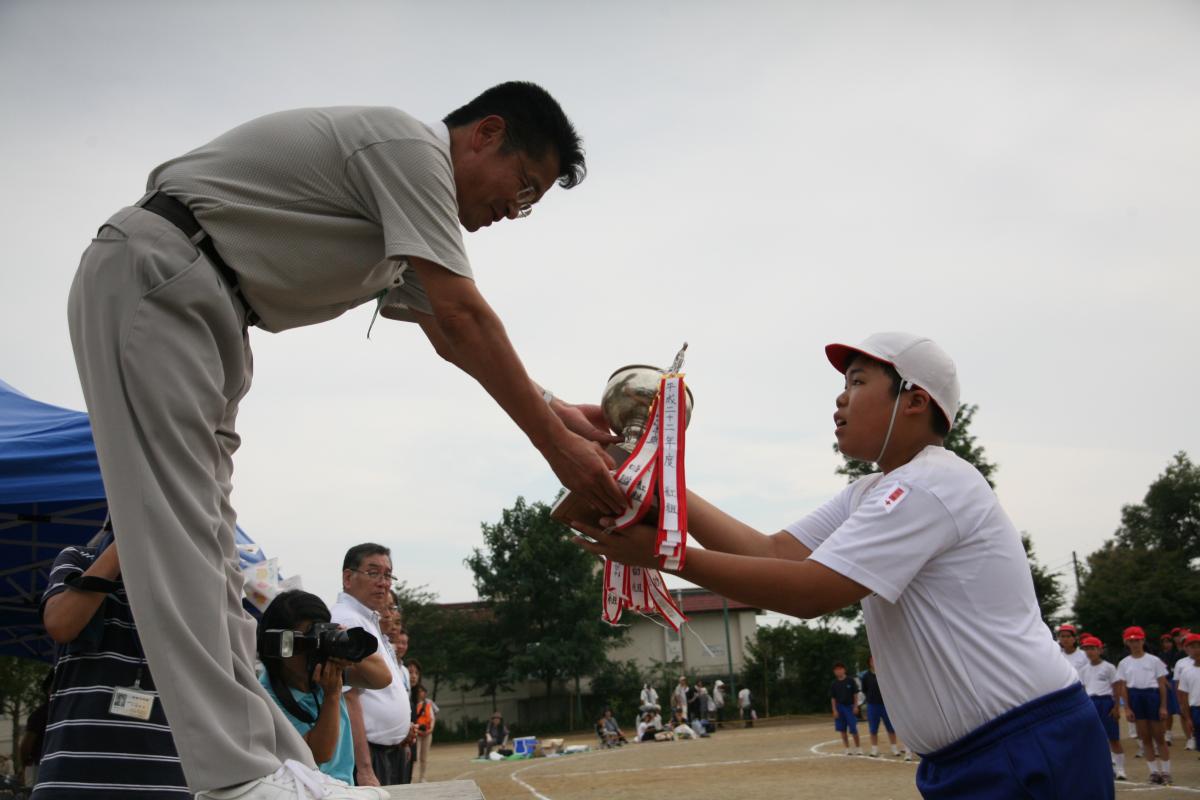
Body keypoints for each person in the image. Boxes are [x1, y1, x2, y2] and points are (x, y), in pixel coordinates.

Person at [66, 81, 627, 800]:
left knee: (211, 543)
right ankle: (236, 776)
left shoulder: (405, 210)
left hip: (213, 308)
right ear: (485, 134)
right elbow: (463, 318)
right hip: (164, 273)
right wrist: (557, 448)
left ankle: (272, 761)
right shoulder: (410, 151)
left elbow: (447, 333)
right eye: (521, 190)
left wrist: (559, 411)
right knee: (173, 529)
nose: (511, 214)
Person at [571, 332, 1113, 800]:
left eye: (857, 381)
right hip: (978, 753)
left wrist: (667, 553)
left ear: (915, 400)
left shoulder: (931, 484)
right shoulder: (873, 492)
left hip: (1025, 742)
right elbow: (774, 553)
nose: (840, 397)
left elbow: (810, 593)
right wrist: (657, 476)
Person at [33, 535, 188, 799]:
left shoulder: (184, 574)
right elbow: (61, 623)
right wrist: (128, 538)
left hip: (165, 780)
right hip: (73, 780)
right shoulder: (80, 558)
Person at [256, 591, 391, 787]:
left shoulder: (322, 670)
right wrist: (332, 696)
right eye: (302, 644)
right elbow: (319, 754)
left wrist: (344, 644)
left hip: (343, 790)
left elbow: (382, 678)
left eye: (318, 643)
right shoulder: (268, 695)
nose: (312, 654)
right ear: (279, 645)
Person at [330, 544, 412, 787]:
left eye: (388, 575)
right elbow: (349, 698)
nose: (383, 582)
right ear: (348, 577)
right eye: (373, 572)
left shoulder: (368, 619)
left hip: (390, 753)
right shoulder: (346, 620)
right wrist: (365, 769)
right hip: (370, 758)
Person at [1117, 626, 1171, 785]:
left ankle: (1166, 771)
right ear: (1127, 642)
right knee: (1145, 737)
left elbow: (1162, 685)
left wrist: (1163, 706)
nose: (1135, 644)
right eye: (1132, 641)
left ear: (1143, 640)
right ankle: (1154, 771)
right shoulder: (1124, 663)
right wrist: (1127, 707)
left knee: (1159, 736)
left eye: (1138, 640)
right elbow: (1123, 687)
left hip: (1151, 696)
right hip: (1135, 697)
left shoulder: (1154, 660)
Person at [1079, 635, 1128, 781]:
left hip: (1105, 702)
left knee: (1113, 737)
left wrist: (1116, 706)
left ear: (1100, 650)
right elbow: (1082, 689)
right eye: (1086, 649)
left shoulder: (1109, 667)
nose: (1089, 652)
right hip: (1090, 702)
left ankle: (1120, 769)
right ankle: (1105, 767)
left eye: (1092, 648)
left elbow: (1117, 686)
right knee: (1094, 738)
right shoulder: (1083, 670)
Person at [862, 655, 908, 759]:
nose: (873, 662)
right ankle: (874, 749)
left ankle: (894, 748)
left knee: (890, 727)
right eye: (871, 660)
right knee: (873, 728)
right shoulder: (866, 676)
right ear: (869, 662)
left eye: (875, 660)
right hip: (872, 705)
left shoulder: (884, 674)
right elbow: (865, 690)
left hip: (886, 705)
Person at [1175, 633, 1200, 756]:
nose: (1196, 650)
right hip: (1196, 708)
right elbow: (1183, 695)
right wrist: (1188, 717)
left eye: (1198, 646)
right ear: (1187, 649)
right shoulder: (1186, 671)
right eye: (1192, 647)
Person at [829, 663, 862, 756]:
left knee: (853, 728)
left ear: (844, 670)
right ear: (834, 672)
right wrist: (834, 710)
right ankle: (847, 748)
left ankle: (858, 748)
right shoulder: (834, 684)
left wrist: (855, 706)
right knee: (842, 730)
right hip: (840, 708)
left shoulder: (850, 681)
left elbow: (855, 695)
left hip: (849, 707)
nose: (838, 671)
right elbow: (833, 698)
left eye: (840, 669)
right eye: (836, 670)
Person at [1158, 632, 1184, 744]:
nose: (1167, 644)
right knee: (1167, 710)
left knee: (1182, 709)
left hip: (1178, 681)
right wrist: (1164, 682)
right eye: (1164, 642)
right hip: (1166, 682)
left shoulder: (1177, 654)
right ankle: (1167, 733)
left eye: (1168, 641)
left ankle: (1191, 734)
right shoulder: (1160, 655)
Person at [410, 686, 435, 783]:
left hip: (427, 733)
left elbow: (432, 718)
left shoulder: (428, 704)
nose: (422, 693)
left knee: (424, 757)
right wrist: (417, 731)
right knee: (415, 758)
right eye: (420, 691)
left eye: (423, 691)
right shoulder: (414, 705)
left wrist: (431, 729)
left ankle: (422, 777)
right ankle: (411, 778)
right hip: (417, 733)